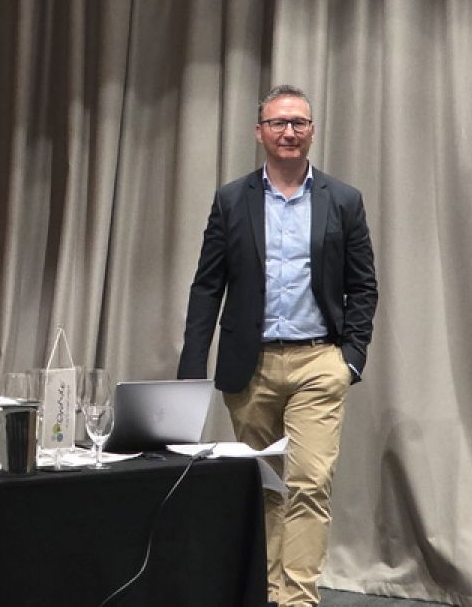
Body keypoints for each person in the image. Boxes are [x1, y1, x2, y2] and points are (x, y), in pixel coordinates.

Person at [177, 84, 378, 607]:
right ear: (259, 132)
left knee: (310, 483)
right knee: (264, 487)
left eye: (299, 123)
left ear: (312, 131)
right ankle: (267, 593)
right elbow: (207, 287)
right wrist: (191, 371)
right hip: (251, 366)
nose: (289, 132)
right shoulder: (231, 200)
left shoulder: (343, 200)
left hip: (319, 362)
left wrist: (350, 360)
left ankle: (298, 599)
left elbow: (363, 286)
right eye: (278, 123)